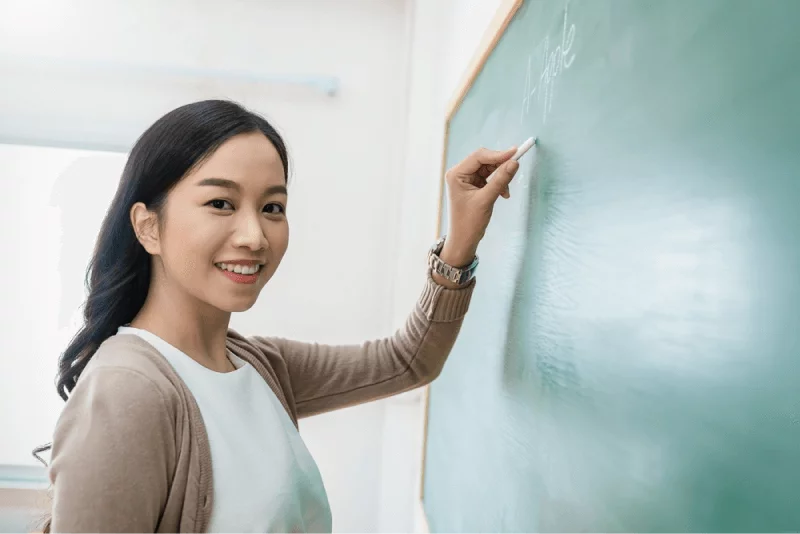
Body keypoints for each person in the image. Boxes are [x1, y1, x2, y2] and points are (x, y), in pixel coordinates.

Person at [37, 99, 520, 534]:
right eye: (220, 203)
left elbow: (408, 361)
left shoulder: (258, 365)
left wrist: (460, 244)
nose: (254, 236)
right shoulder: (128, 389)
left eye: (272, 207)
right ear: (148, 226)